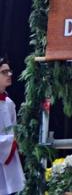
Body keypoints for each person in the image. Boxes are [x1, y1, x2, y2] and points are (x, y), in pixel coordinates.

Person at [0, 57, 24, 194]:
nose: (9, 74)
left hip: (9, 159)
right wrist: (11, 141)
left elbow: (14, 130)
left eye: (9, 71)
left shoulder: (9, 102)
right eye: (4, 72)